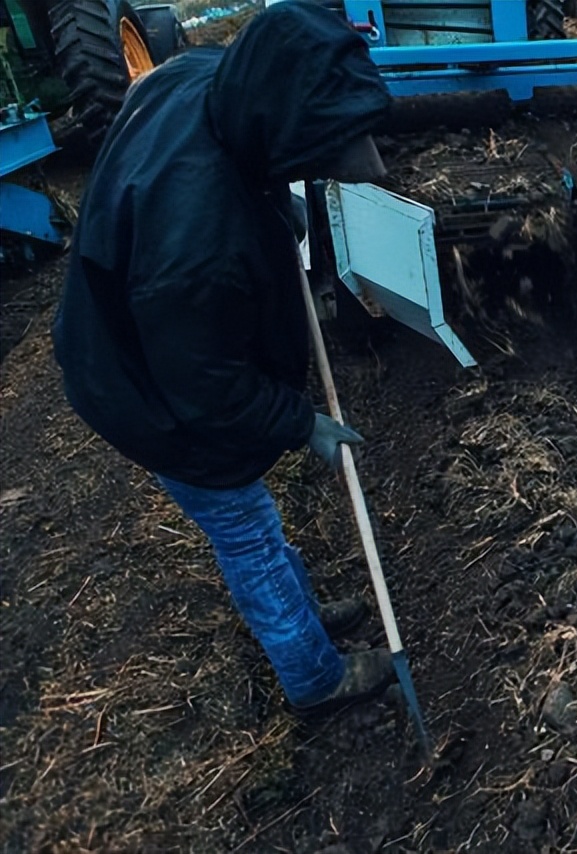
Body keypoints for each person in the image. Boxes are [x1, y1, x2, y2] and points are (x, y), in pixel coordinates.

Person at [52, 1, 397, 716]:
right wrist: (301, 423)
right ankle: (316, 678)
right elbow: (206, 388)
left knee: (258, 525)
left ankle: (301, 608)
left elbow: (159, 96)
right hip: (143, 388)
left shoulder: (213, 77)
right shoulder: (196, 246)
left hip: (149, 332)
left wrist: (277, 199)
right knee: (246, 531)